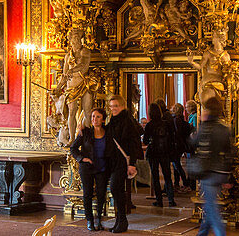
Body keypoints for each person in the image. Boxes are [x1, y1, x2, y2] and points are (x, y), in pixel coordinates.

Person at [189, 97, 234, 236]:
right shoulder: (225, 128)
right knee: (210, 205)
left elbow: (192, 144)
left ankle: (221, 233)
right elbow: (229, 153)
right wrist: (227, 177)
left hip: (207, 171)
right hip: (220, 172)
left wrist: (192, 137)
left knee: (211, 208)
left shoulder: (205, 127)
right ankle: (201, 234)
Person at [70, 108, 116, 231]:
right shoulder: (85, 132)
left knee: (101, 194)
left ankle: (99, 219)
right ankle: (89, 220)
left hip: (102, 168)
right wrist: (82, 158)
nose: (94, 119)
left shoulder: (108, 132)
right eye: (93, 117)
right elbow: (73, 148)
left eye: (98, 117)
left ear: (103, 119)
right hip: (87, 168)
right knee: (87, 194)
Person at [105, 95, 142, 233]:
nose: (113, 109)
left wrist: (132, 164)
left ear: (122, 106)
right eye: (111, 106)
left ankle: (123, 220)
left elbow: (134, 144)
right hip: (114, 161)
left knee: (116, 189)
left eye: (116, 106)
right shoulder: (113, 121)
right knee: (117, 190)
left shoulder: (128, 121)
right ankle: (119, 220)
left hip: (123, 162)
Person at [142, 103, 176, 208]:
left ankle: (159, 200)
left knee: (155, 177)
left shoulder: (149, 125)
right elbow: (172, 138)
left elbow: (145, 140)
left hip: (153, 152)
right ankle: (171, 200)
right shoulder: (166, 124)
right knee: (167, 176)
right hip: (165, 152)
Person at [170, 102, 193, 193]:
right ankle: (176, 184)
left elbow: (177, 134)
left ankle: (186, 183)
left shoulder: (176, 120)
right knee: (176, 165)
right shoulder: (182, 120)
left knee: (177, 165)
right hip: (181, 145)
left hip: (177, 145)